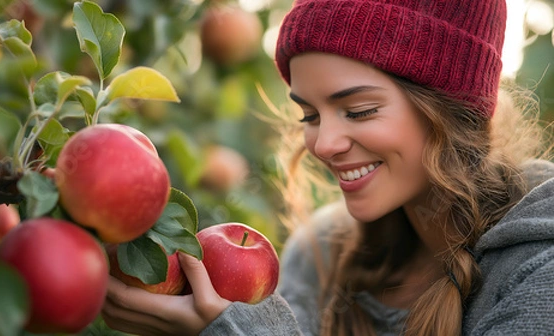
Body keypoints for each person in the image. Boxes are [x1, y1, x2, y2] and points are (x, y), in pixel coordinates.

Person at [101, 0, 554, 335]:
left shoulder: (539, 272)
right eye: (309, 116)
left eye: (358, 111)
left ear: (450, 111)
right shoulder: (320, 256)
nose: (323, 144)